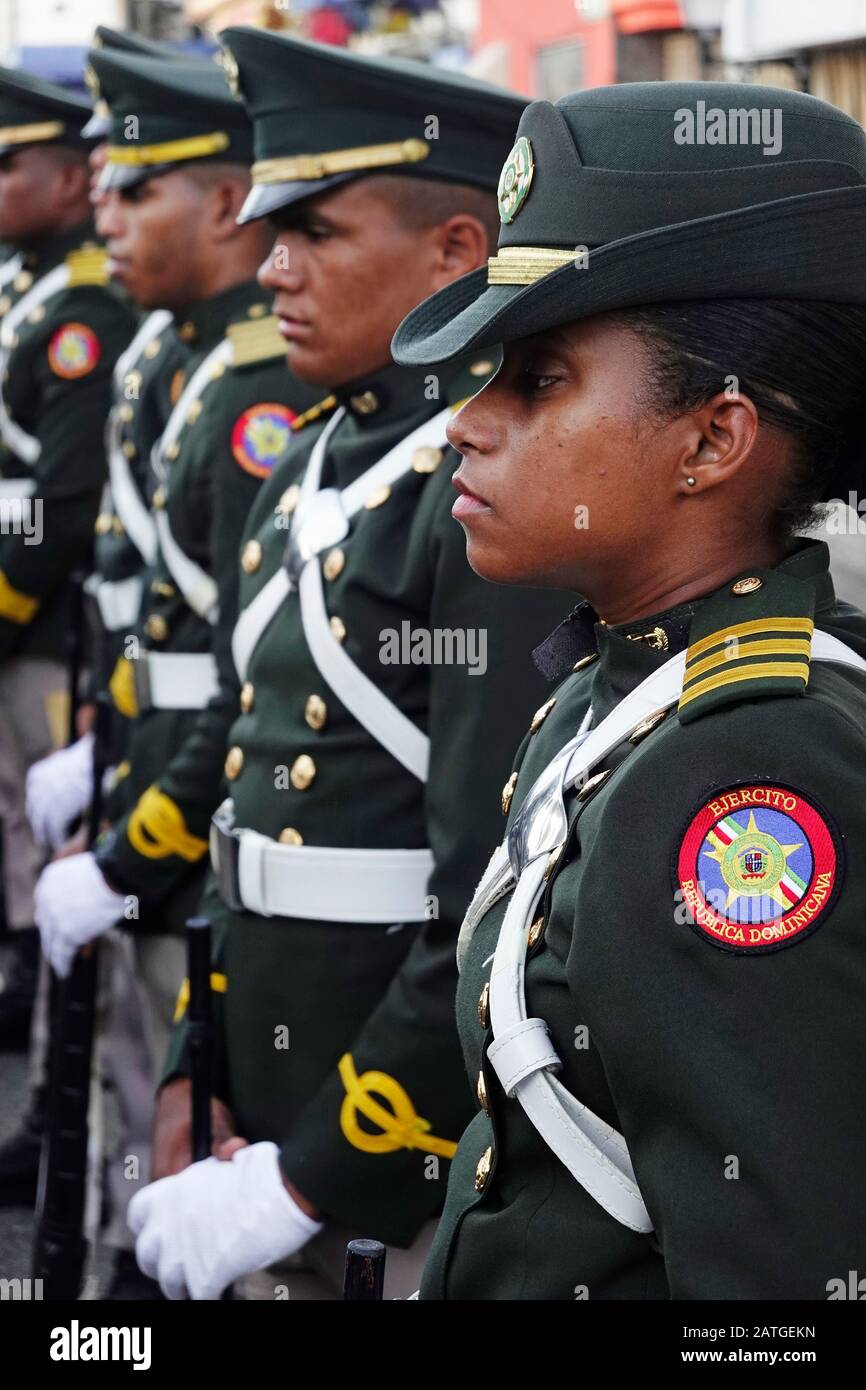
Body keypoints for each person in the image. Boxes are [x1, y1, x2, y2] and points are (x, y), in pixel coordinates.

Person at [384, 79, 866, 1298]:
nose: (464, 425)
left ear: (711, 440)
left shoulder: (744, 766)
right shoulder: (629, 676)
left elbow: (773, 1287)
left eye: (535, 381)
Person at [126, 28, 572, 1301]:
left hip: (391, 1146)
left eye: (317, 229)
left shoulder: (488, 500)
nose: (270, 266)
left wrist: (313, 1172)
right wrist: (191, 1062)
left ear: (456, 252)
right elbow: (248, 791)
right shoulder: (305, 465)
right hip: (263, 1075)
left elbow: (493, 893)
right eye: (274, 228)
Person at [28, 48, 319, 1253]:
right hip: (148, 758)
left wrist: (143, 838)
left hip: (207, 823)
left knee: (177, 1092)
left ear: (217, 201)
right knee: (137, 1075)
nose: (104, 205)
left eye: (135, 186)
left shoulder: (260, 387)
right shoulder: (175, 353)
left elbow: (250, 663)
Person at [0, 64, 136, 1202]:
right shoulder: (37, 290)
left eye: (13, 162)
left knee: (41, 832)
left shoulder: (85, 316)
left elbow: (60, 502)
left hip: (44, 630)